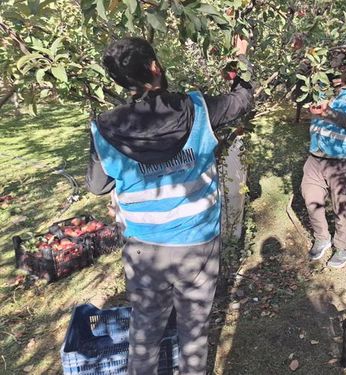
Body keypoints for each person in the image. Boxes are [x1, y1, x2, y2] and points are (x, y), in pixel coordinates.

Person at [85, 36, 253, 375]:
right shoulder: (199, 108)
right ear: (154, 67)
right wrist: (240, 59)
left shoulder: (105, 127)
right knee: (193, 333)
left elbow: (97, 185)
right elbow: (243, 99)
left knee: (145, 335)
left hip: (145, 250)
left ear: (120, 80)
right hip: (198, 245)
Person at [301, 50, 346, 269]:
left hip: (340, 160)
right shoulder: (321, 88)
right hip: (315, 156)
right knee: (310, 197)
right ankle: (322, 238)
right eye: (334, 68)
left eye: (342, 68)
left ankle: (343, 249)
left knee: (341, 204)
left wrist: (329, 113)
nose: (338, 72)